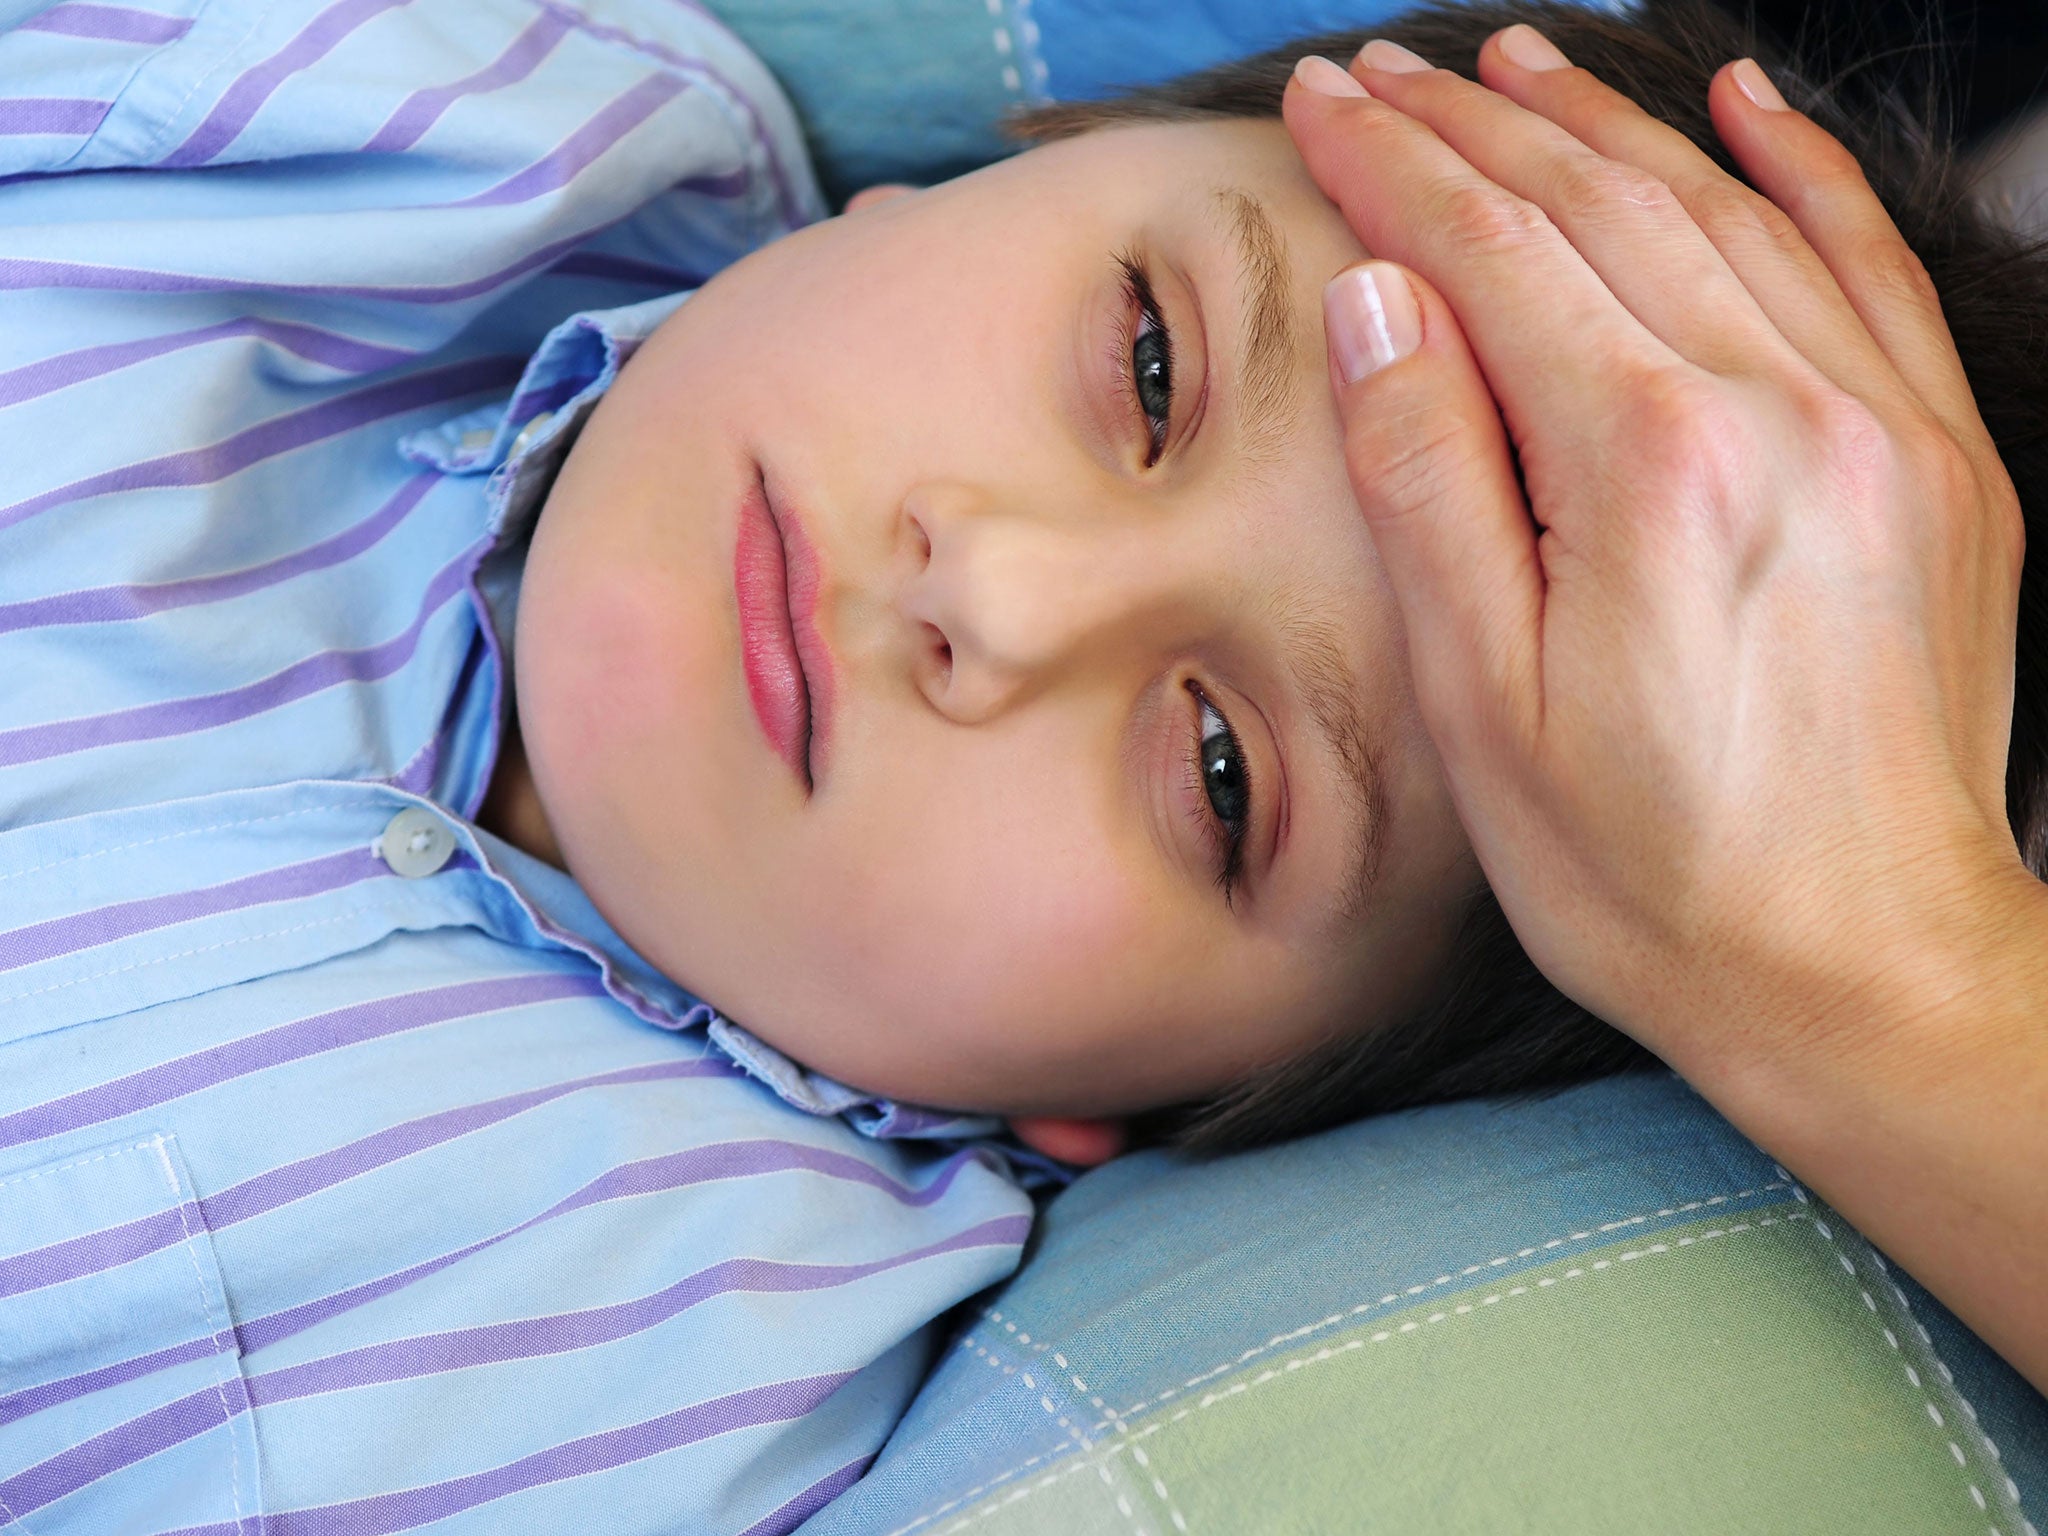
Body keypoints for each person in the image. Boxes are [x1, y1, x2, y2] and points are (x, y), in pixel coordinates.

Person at [0, 4, 2038, 1536]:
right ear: (985, 163)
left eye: (1224, 774)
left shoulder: (720, 1385)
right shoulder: (400, 127)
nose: (1002, 596)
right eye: (1149, 364)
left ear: (1152, 1111)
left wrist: (1877, 967)